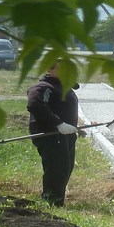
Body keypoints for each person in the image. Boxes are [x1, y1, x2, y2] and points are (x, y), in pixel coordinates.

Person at [27, 62, 81, 206]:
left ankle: (56, 199)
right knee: (57, 167)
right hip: (50, 133)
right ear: (50, 70)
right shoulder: (44, 87)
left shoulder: (66, 88)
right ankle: (51, 201)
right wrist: (58, 124)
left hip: (65, 134)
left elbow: (65, 110)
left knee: (66, 166)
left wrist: (76, 128)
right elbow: (35, 104)